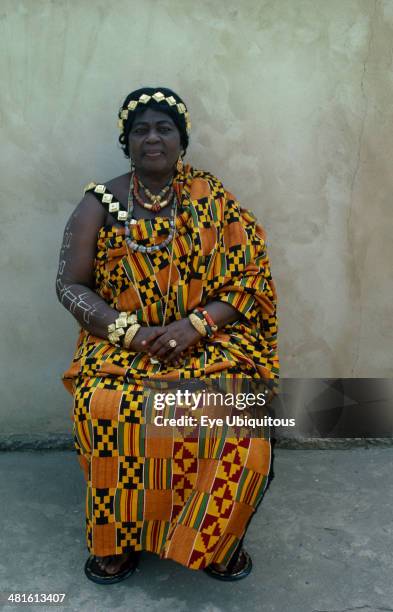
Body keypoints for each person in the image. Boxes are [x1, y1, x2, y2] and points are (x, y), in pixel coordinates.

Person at [56, 86, 279, 584]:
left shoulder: (212, 198)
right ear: (126, 141)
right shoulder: (100, 203)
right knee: (105, 407)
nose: (152, 138)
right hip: (120, 346)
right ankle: (118, 539)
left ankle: (216, 539)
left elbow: (251, 279)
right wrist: (131, 334)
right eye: (141, 129)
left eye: (164, 128)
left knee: (235, 416)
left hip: (209, 344)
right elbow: (70, 284)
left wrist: (193, 326)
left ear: (182, 140)